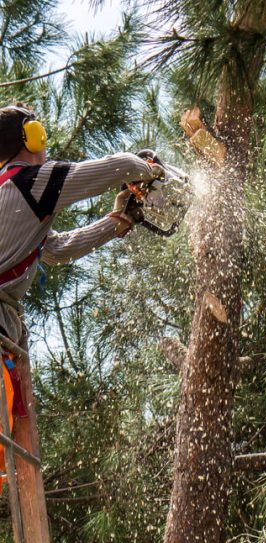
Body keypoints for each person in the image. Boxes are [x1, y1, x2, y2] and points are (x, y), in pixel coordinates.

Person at [0, 102, 161, 444]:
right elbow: (117, 166)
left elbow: (57, 250)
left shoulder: (11, 192)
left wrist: (117, 221)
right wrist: (149, 169)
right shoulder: (30, 181)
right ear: (32, 136)